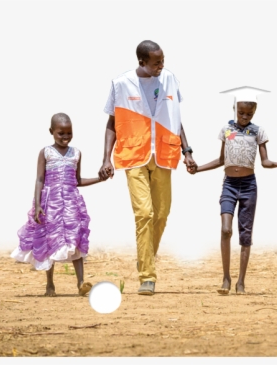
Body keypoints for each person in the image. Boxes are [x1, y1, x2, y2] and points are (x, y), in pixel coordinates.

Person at [99, 40, 197, 296]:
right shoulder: (121, 84)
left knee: (161, 214)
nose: (161, 66)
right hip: (134, 155)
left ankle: (145, 258)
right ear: (141, 62)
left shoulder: (170, 79)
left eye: (163, 61)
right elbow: (112, 123)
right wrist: (106, 158)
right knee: (144, 213)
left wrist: (187, 151)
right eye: (156, 63)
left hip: (164, 153)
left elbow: (175, 118)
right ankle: (147, 276)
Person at [192, 86, 277, 295]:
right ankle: (226, 278)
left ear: (254, 112)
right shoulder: (227, 130)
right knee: (225, 229)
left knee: (245, 234)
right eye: (241, 112)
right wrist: (198, 169)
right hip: (229, 185)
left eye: (249, 113)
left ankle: (241, 282)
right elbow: (221, 159)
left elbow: (264, 161)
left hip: (248, 186)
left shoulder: (258, 132)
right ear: (234, 109)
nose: (245, 117)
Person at [12, 113, 105, 297]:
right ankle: (50, 285)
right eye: (61, 133)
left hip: (71, 204)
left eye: (69, 133)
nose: (65, 137)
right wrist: (38, 205)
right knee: (50, 240)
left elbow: (77, 180)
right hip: (50, 204)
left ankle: (81, 283)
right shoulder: (45, 152)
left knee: (75, 238)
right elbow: (40, 179)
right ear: (51, 131)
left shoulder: (76, 153)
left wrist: (99, 179)